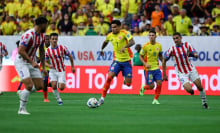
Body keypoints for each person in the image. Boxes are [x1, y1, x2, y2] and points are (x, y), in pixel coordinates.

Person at [162, 32, 209, 109]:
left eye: (177, 38)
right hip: (181, 73)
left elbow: (195, 53)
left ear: (181, 38)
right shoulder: (172, 49)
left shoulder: (187, 45)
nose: (175, 40)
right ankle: (191, 92)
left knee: (200, 87)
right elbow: (164, 60)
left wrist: (194, 55)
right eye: (174, 39)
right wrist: (164, 74)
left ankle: (204, 103)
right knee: (189, 90)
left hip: (191, 69)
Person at [15, 16, 48, 115]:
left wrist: (43, 67)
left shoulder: (42, 36)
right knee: (29, 85)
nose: (46, 26)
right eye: (46, 24)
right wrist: (32, 62)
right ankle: (21, 109)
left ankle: (23, 92)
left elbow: (42, 51)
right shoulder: (28, 35)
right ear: (41, 24)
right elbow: (20, 51)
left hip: (32, 62)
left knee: (40, 86)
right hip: (21, 62)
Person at [99, 20, 135, 105]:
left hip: (126, 62)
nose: (113, 29)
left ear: (119, 27)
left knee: (128, 84)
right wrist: (102, 49)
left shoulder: (124, 33)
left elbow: (132, 42)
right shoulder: (110, 35)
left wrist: (125, 47)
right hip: (117, 61)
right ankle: (102, 98)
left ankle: (125, 80)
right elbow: (105, 42)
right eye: (112, 27)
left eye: (115, 27)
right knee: (109, 77)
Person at [45, 33, 75, 105]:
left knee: (61, 87)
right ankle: (59, 99)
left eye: (56, 39)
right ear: (50, 40)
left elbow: (70, 56)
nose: (54, 40)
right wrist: (49, 65)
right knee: (54, 86)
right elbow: (45, 62)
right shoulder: (47, 51)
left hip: (61, 70)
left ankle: (53, 83)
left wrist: (72, 66)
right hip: (52, 70)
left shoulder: (62, 48)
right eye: (53, 39)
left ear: (57, 39)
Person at [139, 30, 163, 104]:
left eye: (153, 35)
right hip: (148, 69)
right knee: (151, 86)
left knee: (159, 83)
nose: (151, 37)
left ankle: (155, 99)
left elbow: (160, 56)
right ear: (148, 36)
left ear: (155, 36)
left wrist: (163, 63)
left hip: (156, 68)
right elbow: (140, 56)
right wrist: (145, 64)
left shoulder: (159, 45)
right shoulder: (145, 46)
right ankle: (143, 87)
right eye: (150, 35)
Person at [36, 35, 51, 102]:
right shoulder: (41, 48)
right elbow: (38, 60)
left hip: (53, 68)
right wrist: (42, 56)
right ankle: (45, 98)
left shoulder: (53, 48)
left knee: (54, 83)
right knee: (44, 83)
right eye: (45, 40)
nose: (47, 41)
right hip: (44, 68)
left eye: (48, 39)